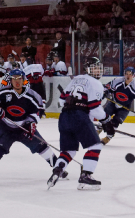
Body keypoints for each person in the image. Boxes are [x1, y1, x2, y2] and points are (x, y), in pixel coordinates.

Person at [47, 57, 115, 191]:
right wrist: (106, 120)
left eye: (98, 67)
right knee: (95, 146)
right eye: (95, 67)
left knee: (69, 151)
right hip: (79, 117)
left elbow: (62, 100)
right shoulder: (96, 83)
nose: (98, 70)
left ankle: (57, 170)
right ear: (88, 69)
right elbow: (95, 108)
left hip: (64, 117)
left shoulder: (76, 78)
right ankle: (86, 175)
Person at [0, 69, 58, 179]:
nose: (17, 81)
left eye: (19, 79)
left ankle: (58, 166)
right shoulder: (2, 93)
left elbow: (39, 110)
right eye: (14, 79)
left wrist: (31, 122)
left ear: (24, 80)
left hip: (24, 128)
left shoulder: (33, 96)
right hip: (6, 129)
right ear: (11, 80)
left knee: (42, 147)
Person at [99, 67, 135, 144]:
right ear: (124, 74)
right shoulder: (117, 81)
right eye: (126, 74)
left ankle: (108, 137)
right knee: (103, 116)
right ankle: (97, 130)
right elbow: (107, 87)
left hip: (124, 108)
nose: (128, 76)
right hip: (113, 103)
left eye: (130, 74)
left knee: (115, 123)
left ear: (134, 75)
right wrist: (105, 92)